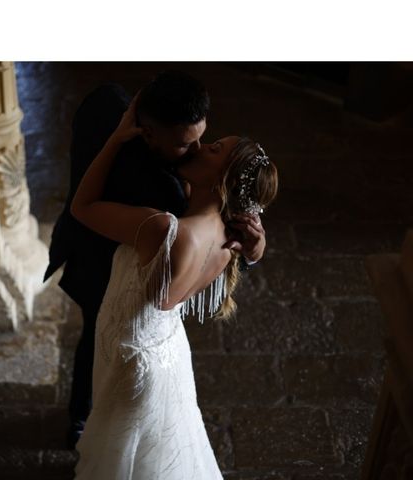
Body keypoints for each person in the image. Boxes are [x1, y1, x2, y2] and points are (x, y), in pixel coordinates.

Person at [43, 71, 267, 447]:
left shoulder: (189, 170)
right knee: (92, 339)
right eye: (185, 145)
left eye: (203, 138)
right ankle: (81, 415)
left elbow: (217, 232)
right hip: (98, 258)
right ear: (148, 131)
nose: (197, 150)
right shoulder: (158, 189)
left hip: (146, 291)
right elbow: (83, 201)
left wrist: (254, 251)